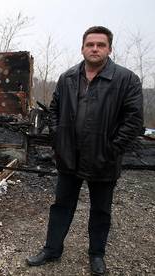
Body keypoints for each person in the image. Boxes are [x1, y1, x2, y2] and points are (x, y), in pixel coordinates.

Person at [26, 26, 143, 275]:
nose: (95, 48)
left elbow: (133, 120)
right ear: (82, 48)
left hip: (104, 158)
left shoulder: (126, 79)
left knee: (101, 209)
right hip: (69, 155)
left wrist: (112, 149)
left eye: (101, 45)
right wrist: (58, 137)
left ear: (109, 49)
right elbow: (54, 110)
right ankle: (52, 249)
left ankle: (97, 254)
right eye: (90, 44)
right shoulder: (67, 77)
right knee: (61, 205)